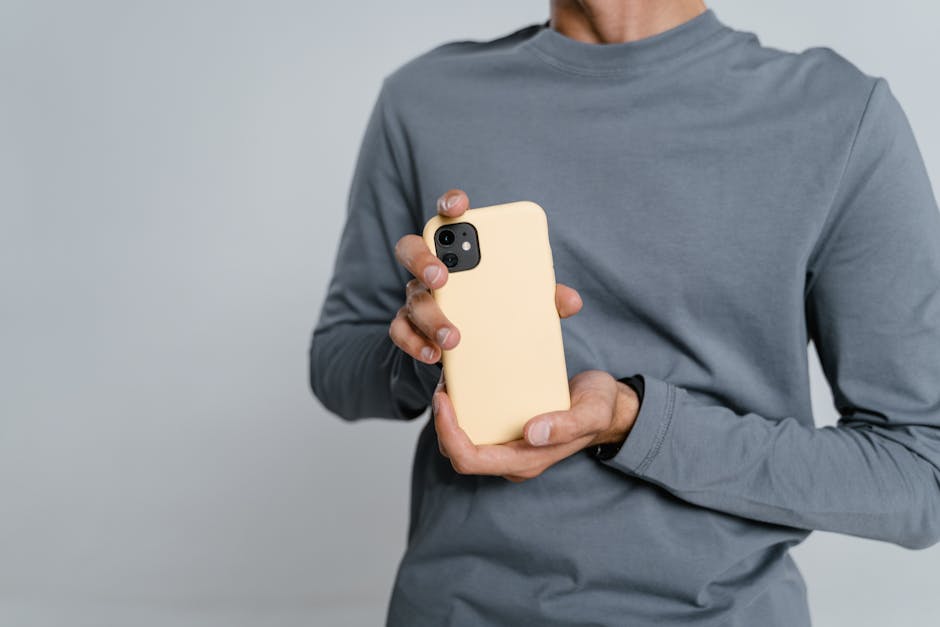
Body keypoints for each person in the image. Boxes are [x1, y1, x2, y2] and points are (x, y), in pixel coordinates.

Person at [309, 1, 940, 625]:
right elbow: (338, 365)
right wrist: (433, 349)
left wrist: (636, 423)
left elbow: (920, 470)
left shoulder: (837, 115)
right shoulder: (426, 98)